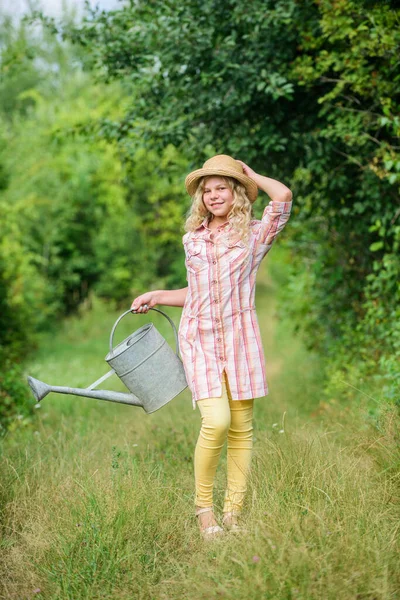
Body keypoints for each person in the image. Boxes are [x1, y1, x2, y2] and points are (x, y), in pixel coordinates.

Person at [131, 154, 293, 538]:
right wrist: (158, 295)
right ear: (200, 199)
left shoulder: (253, 236)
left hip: (239, 337)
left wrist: (250, 174)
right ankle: (204, 511)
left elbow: (283, 197)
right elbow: (198, 293)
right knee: (216, 421)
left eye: (221, 187)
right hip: (199, 338)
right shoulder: (193, 240)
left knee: (241, 428)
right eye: (207, 191)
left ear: (236, 192)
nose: (213, 196)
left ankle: (233, 513)